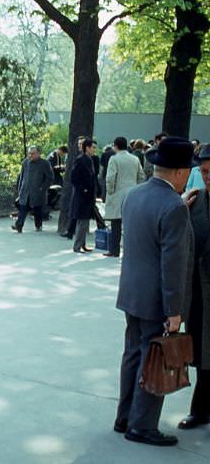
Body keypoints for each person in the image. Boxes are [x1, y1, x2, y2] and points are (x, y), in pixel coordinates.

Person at [115, 136, 194, 447]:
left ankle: (124, 417)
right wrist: (174, 311)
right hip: (155, 299)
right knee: (154, 360)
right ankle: (143, 425)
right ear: (178, 172)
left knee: (133, 355)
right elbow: (171, 266)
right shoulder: (173, 207)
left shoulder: (134, 196)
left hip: (131, 292)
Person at [178, 144, 210, 431]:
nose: (207, 176)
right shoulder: (195, 201)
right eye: (204, 171)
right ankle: (200, 410)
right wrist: (180, 210)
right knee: (200, 354)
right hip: (199, 295)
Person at [103, 137, 145, 258]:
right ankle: (131, 251)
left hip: (118, 194)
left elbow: (110, 177)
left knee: (116, 224)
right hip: (132, 193)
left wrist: (110, 191)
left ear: (115, 146)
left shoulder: (114, 159)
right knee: (130, 225)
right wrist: (137, 189)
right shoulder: (135, 159)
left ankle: (114, 250)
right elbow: (141, 176)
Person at [12, 146, 54, 233]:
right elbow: (21, 177)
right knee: (22, 208)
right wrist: (20, 189)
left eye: (33, 153)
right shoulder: (25, 162)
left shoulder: (45, 163)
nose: (30, 155)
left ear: (38, 154)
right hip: (25, 190)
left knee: (37, 209)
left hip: (37, 191)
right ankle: (19, 225)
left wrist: (43, 188)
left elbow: (50, 178)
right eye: (29, 153)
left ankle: (38, 225)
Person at [71, 138, 98, 253]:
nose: (94, 150)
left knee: (85, 220)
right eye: (93, 147)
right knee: (82, 221)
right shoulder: (80, 160)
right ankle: (77, 245)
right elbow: (74, 178)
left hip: (88, 195)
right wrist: (84, 189)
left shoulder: (89, 159)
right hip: (82, 195)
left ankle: (82, 244)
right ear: (87, 148)